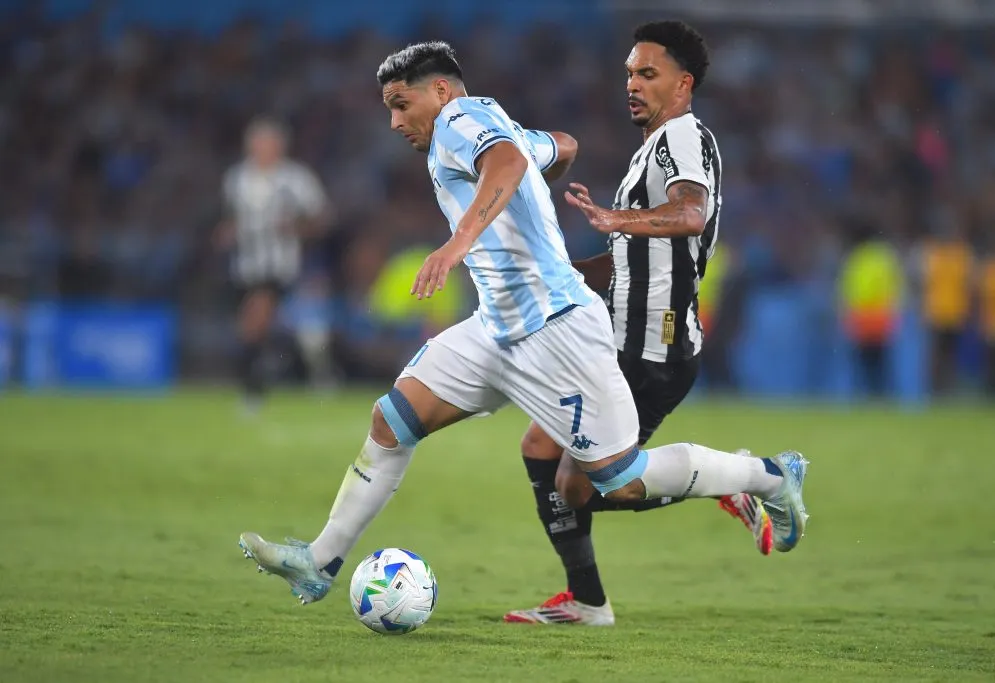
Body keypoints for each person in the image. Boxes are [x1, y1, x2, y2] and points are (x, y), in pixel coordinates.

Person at [237, 41, 809, 607]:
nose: (393, 122)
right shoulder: (485, 122)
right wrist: (534, 176)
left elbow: (509, 161)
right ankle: (319, 563)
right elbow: (559, 146)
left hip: (557, 327)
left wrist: (459, 242)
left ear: (439, 92)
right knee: (393, 420)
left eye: (400, 104)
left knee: (621, 479)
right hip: (497, 326)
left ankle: (766, 477)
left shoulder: (459, 119)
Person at [505, 21, 772, 627]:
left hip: (656, 344)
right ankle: (587, 600)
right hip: (620, 337)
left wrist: (615, 216)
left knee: (584, 485)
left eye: (646, 74)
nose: (632, 83)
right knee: (541, 448)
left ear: (683, 84)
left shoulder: (682, 137)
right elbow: (632, 255)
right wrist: (559, 272)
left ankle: (738, 476)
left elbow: (691, 213)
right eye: (628, 72)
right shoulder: (652, 146)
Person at [216, 118, 331, 412]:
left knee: (255, 320)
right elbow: (231, 217)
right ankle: (309, 368)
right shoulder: (237, 178)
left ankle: (252, 393)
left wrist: (296, 229)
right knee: (257, 328)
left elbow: (323, 218)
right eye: (258, 143)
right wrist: (227, 232)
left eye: (269, 143)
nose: (263, 149)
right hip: (244, 266)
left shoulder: (296, 179)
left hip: (281, 265)